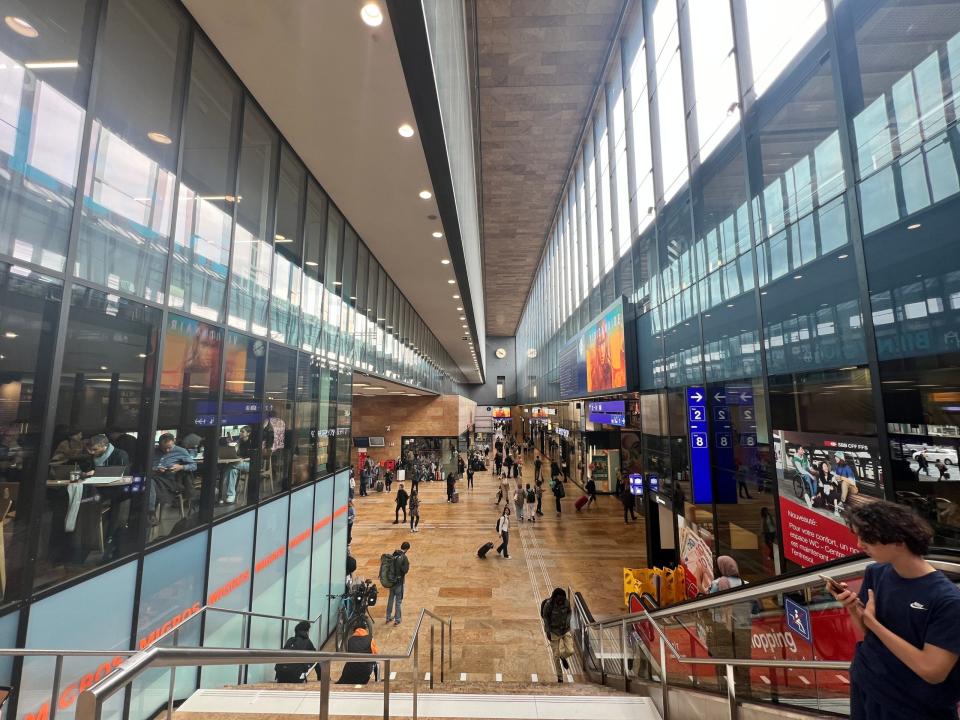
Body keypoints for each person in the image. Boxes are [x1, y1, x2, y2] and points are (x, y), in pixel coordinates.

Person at [828, 500, 960, 720]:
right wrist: (852, 607)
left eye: (868, 538)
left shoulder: (947, 600)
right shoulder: (876, 573)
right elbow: (865, 630)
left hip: (914, 705)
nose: (860, 545)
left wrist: (874, 625)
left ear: (899, 542)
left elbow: (933, 671)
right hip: (868, 684)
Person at [148, 434, 198, 526]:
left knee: (149, 483)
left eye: (169, 448)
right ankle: (149, 514)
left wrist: (181, 467)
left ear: (173, 442)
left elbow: (194, 466)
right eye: (164, 448)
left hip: (171, 482)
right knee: (148, 483)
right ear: (159, 445)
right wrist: (155, 469)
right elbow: (148, 466)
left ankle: (150, 513)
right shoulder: (154, 451)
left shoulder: (181, 451)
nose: (167, 450)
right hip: (156, 477)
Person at [541, 588, 574, 683]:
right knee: (555, 656)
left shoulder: (566, 602)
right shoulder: (548, 605)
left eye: (562, 600)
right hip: (554, 631)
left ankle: (563, 657)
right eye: (558, 600)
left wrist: (567, 622)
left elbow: (569, 612)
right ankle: (560, 677)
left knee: (570, 651)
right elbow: (545, 618)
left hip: (565, 630)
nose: (560, 602)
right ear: (554, 598)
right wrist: (547, 631)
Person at [384, 541, 411, 625]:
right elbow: (405, 570)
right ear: (406, 549)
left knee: (390, 599)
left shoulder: (394, 554)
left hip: (391, 582)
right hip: (399, 582)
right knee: (398, 601)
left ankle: (388, 617)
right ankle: (397, 619)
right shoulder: (404, 557)